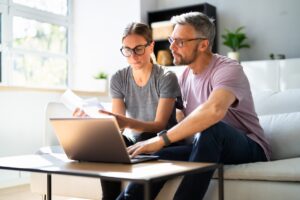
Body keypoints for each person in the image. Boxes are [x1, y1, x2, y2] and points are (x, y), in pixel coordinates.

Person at [117, 12, 271, 200]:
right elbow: (178, 118)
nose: (171, 47)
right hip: (204, 147)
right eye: (171, 39)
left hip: (248, 148)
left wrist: (161, 139)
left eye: (180, 42)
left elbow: (213, 111)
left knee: (211, 129)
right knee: (159, 156)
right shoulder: (183, 77)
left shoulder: (228, 69)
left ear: (203, 44)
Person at [95, 22, 181, 200]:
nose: (133, 56)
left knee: (143, 137)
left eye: (138, 49)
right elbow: (117, 124)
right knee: (109, 142)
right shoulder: (119, 78)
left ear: (151, 46)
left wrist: (125, 122)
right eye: (127, 50)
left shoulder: (166, 77)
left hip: (161, 139)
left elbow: (160, 124)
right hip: (133, 139)